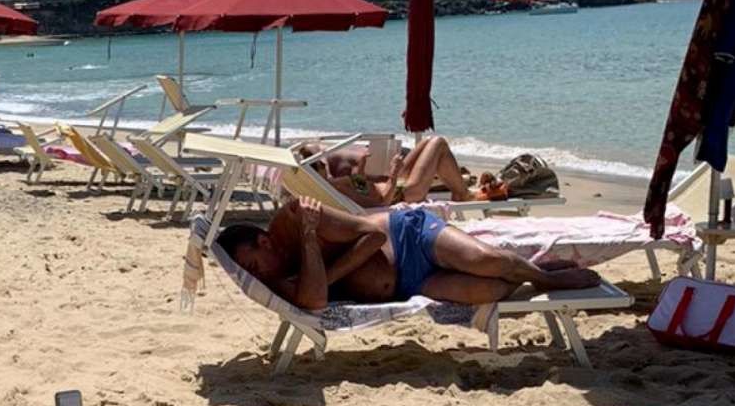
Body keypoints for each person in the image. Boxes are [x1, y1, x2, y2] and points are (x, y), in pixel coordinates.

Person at [217, 197, 597, 310]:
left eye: (254, 265)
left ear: (264, 241)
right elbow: (314, 301)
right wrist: (313, 245)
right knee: (492, 290)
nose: (259, 276)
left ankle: (547, 276)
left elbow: (367, 235)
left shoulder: (297, 215)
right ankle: (532, 267)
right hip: (410, 285)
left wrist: (311, 236)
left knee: (489, 263)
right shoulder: (278, 280)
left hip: (408, 236)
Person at [296, 133, 508, 204]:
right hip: (404, 193)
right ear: (320, 165)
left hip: (391, 184)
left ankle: (461, 187)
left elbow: (362, 189)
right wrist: (395, 171)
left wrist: (361, 167)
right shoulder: (338, 185)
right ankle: (462, 193)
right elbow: (382, 201)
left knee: (428, 142)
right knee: (438, 143)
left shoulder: (333, 185)